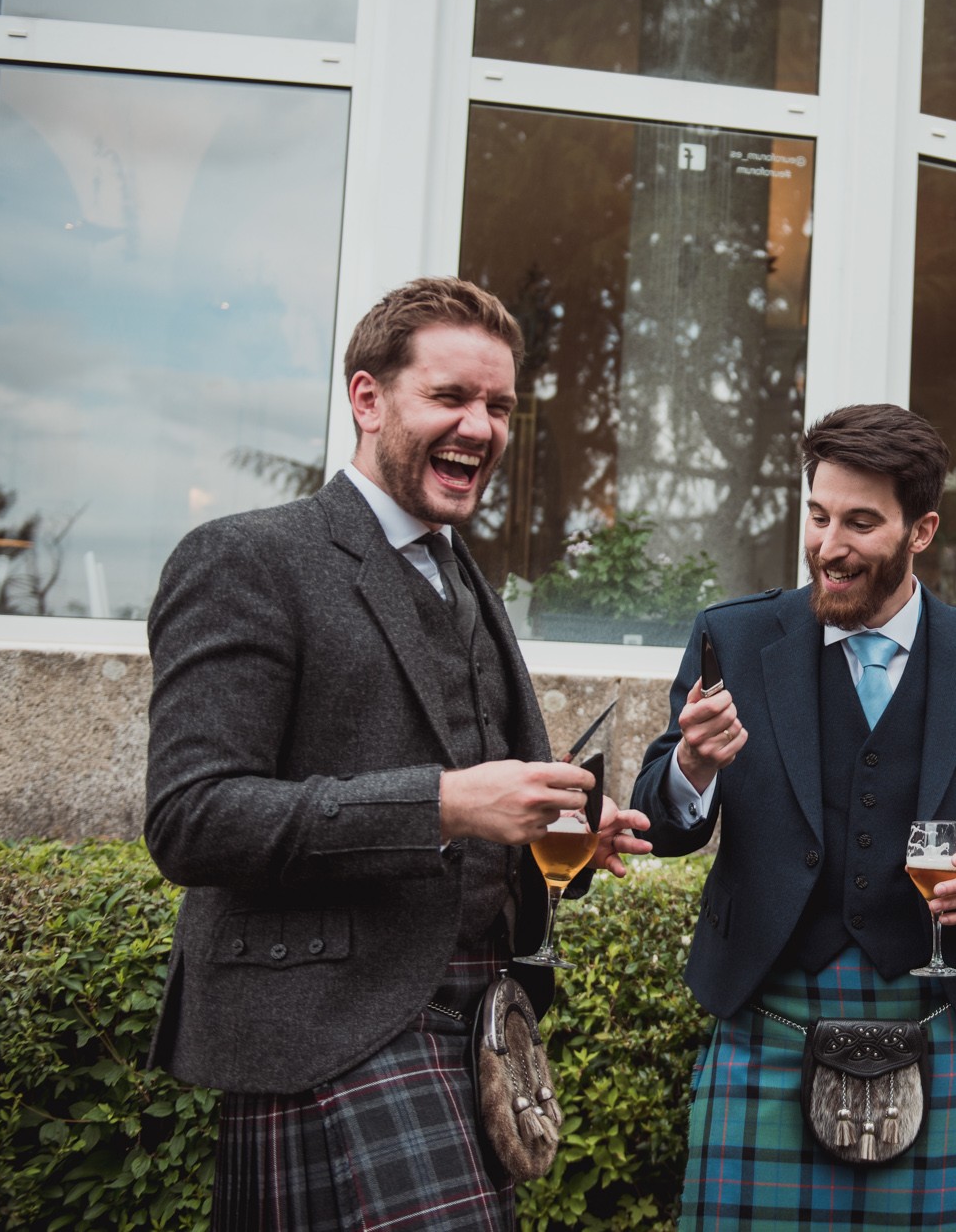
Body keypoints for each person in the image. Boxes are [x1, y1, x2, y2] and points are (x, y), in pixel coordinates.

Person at [144, 277, 649, 1231]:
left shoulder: (465, 577)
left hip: (477, 1024)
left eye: (499, 406)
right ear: (368, 399)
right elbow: (191, 817)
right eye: (451, 397)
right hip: (326, 1023)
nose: (482, 426)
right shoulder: (248, 558)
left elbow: (480, 792)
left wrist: (553, 833)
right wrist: (448, 804)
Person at [629, 403, 956, 1230]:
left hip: (929, 1013)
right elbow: (664, 819)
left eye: (862, 522)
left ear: (920, 528)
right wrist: (691, 766)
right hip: (768, 1011)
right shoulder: (735, 636)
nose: (830, 545)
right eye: (819, 515)